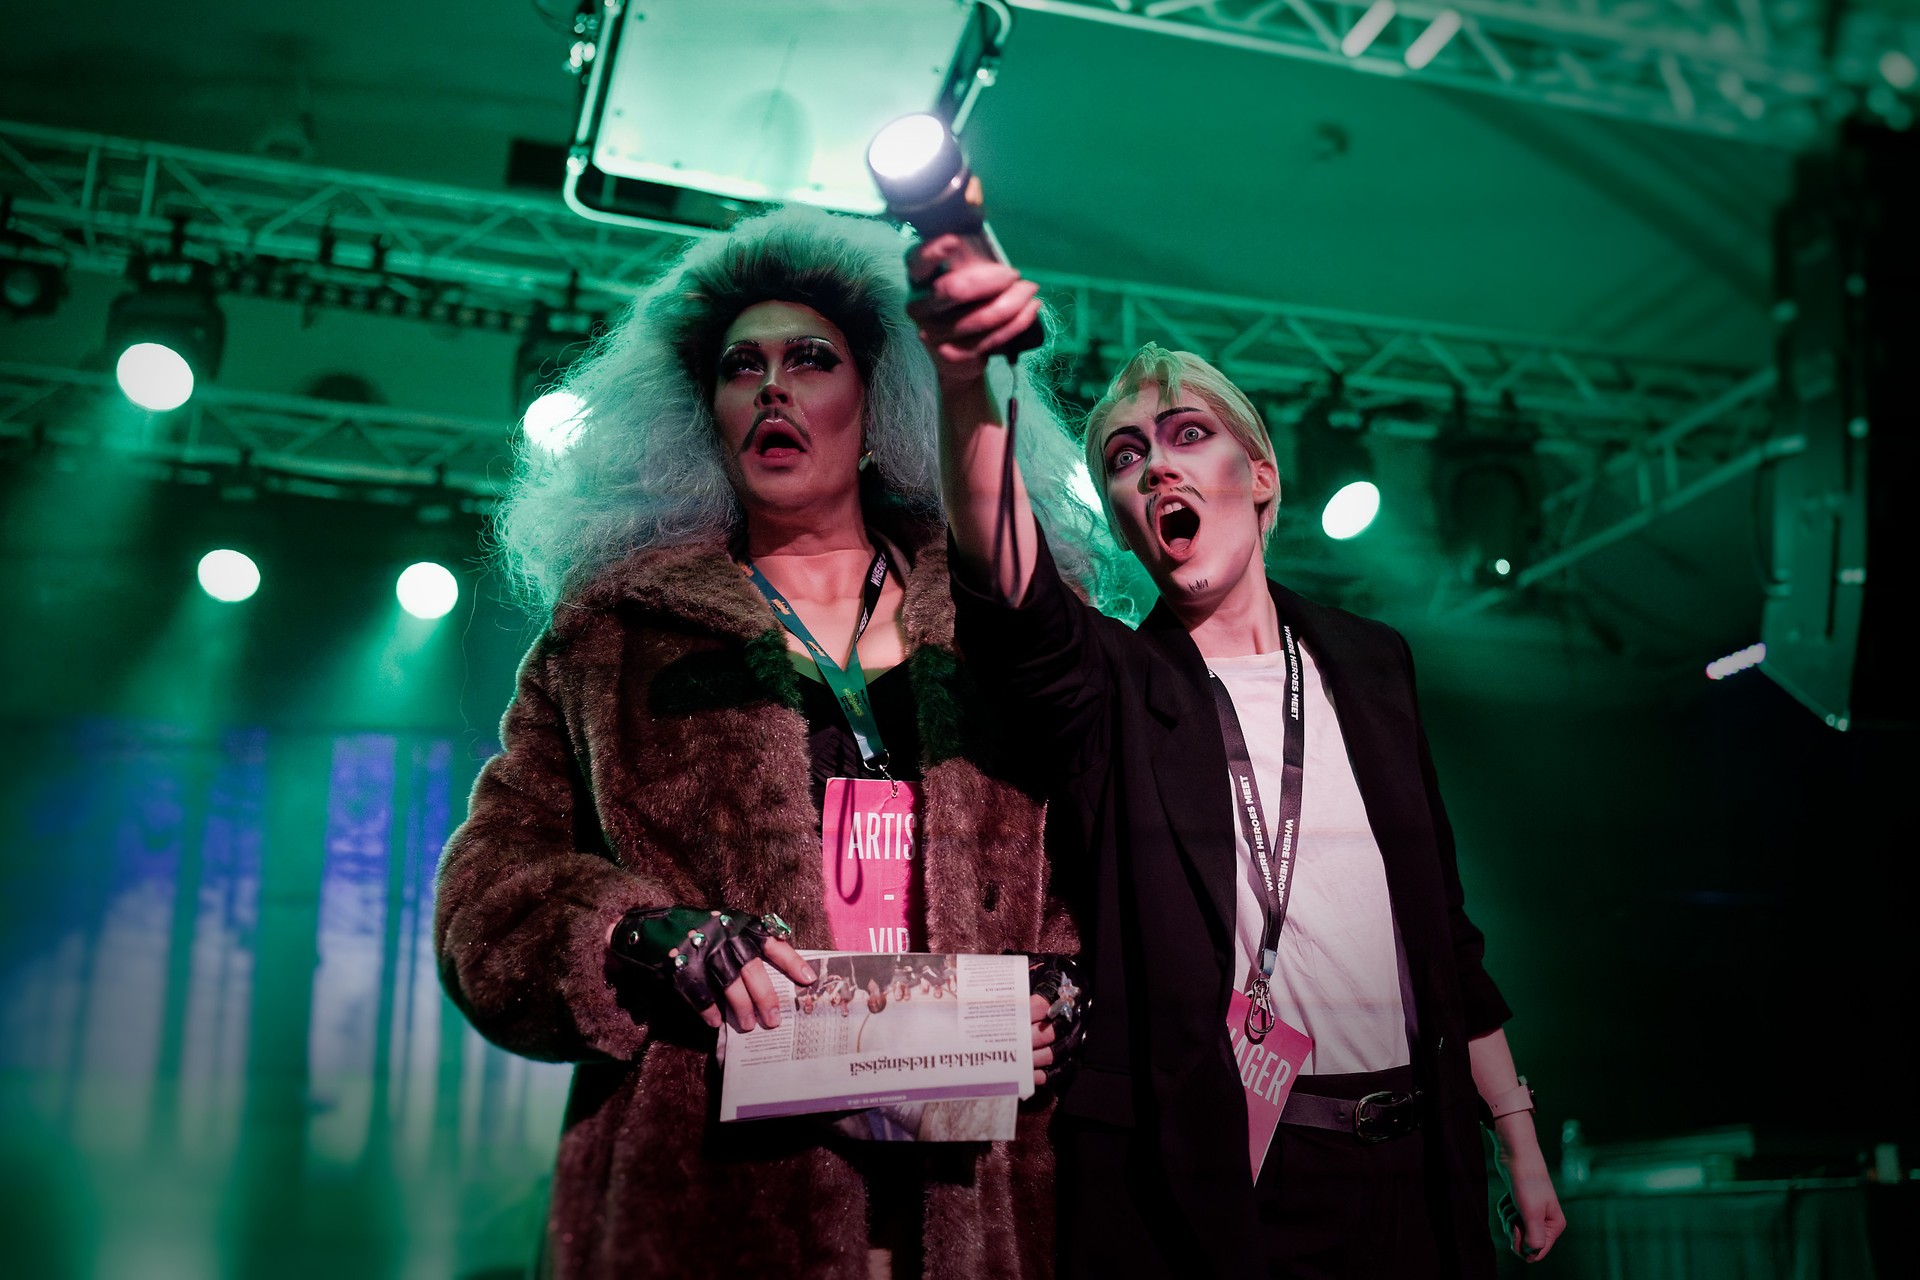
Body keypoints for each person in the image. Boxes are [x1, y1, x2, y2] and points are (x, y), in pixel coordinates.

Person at [433, 206, 1083, 1280]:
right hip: (707, 1196)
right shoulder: (614, 636)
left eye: (811, 359)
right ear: (707, 413)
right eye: (744, 367)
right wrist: (643, 940)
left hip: (976, 1189)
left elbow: (1100, 857)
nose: (773, 387)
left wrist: (1064, 986)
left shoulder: (997, 628)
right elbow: (488, 897)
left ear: (876, 405)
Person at [910, 238, 1565, 1277]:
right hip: (1233, 1180)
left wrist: (1514, 1132)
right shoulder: (1113, 687)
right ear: (1126, 525)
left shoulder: (1371, 663)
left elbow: (1441, 924)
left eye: (1188, 434)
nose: (1157, 465)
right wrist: (964, 384)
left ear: (1259, 476)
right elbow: (1008, 591)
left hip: (1416, 1165)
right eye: (1125, 458)